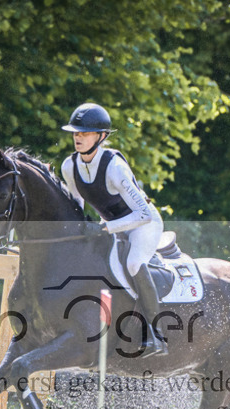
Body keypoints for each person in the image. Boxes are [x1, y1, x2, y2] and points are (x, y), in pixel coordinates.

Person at [61, 102, 167, 357]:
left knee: (133, 263)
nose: (78, 137)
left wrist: (106, 228)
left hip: (144, 224)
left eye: (84, 133)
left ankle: (158, 333)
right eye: (76, 133)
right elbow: (77, 204)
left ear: (102, 136)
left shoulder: (114, 166)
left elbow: (141, 213)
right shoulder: (69, 166)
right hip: (112, 227)